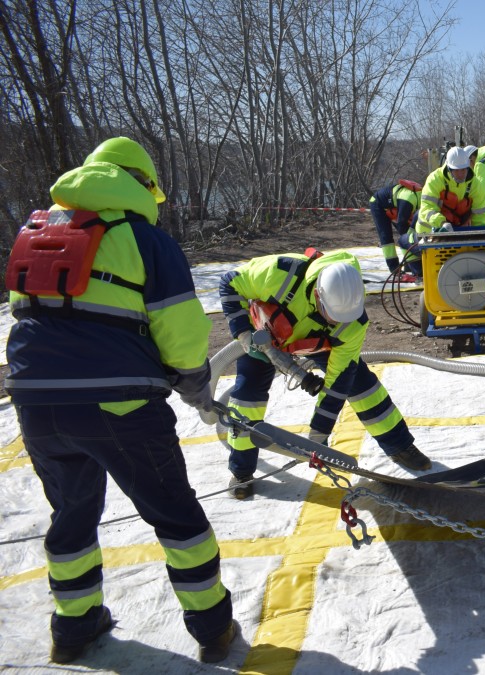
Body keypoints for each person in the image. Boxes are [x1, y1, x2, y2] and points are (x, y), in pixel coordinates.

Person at [5, 137, 237, 664]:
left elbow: (32, 319)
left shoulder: (36, 231)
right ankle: (212, 629)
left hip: (35, 405)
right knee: (175, 515)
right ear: (142, 185)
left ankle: (74, 627)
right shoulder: (144, 240)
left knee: (71, 513)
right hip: (120, 407)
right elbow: (180, 331)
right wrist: (196, 385)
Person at [218, 249, 431, 498]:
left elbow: (337, 383)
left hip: (310, 340)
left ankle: (400, 447)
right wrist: (243, 333)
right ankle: (242, 471)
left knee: (363, 387)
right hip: (263, 334)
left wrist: (319, 433)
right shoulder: (279, 273)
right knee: (247, 397)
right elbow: (230, 282)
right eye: (332, 316)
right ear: (318, 295)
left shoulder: (353, 323)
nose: (337, 323)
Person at [416, 146, 485, 234]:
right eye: (456, 170)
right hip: (427, 233)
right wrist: (442, 223)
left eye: (463, 170)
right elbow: (427, 207)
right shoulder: (434, 180)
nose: (460, 174)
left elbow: (480, 214)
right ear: (449, 168)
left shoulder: (475, 184)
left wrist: (481, 234)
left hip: (458, 233)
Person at [368, 179, 422, 279]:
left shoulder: (425, 201)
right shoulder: (408, 200)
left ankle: (409, 266)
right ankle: (394, 270)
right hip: (378, 203)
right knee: (387, 237)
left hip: (394, 205)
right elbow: (401, 225)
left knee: (408, 236)